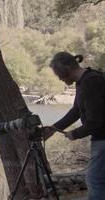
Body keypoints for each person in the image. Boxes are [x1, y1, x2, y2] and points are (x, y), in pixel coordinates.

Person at [43, 52, 105, 200]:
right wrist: (54, 128)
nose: (59, 78)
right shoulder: (83, 81)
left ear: (68, 68)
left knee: (94, 180)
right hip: (101, 138)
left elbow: (95, 121)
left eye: (59, 74)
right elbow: (76, 111)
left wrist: (75, 134)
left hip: (103, 139)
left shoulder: (91, 82)